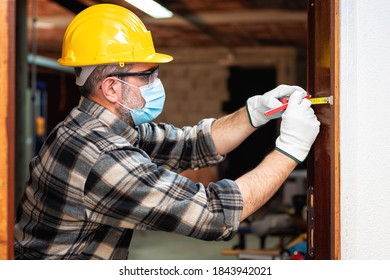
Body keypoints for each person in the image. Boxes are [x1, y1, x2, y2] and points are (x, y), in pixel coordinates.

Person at [14, 4, 320, 260]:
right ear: (111, 87)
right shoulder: (100, 156)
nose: (156, 82)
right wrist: (290, 149)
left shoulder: (97, 127)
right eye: (146, 75)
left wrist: (255, 113)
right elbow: (215, 214)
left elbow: (191, 144)